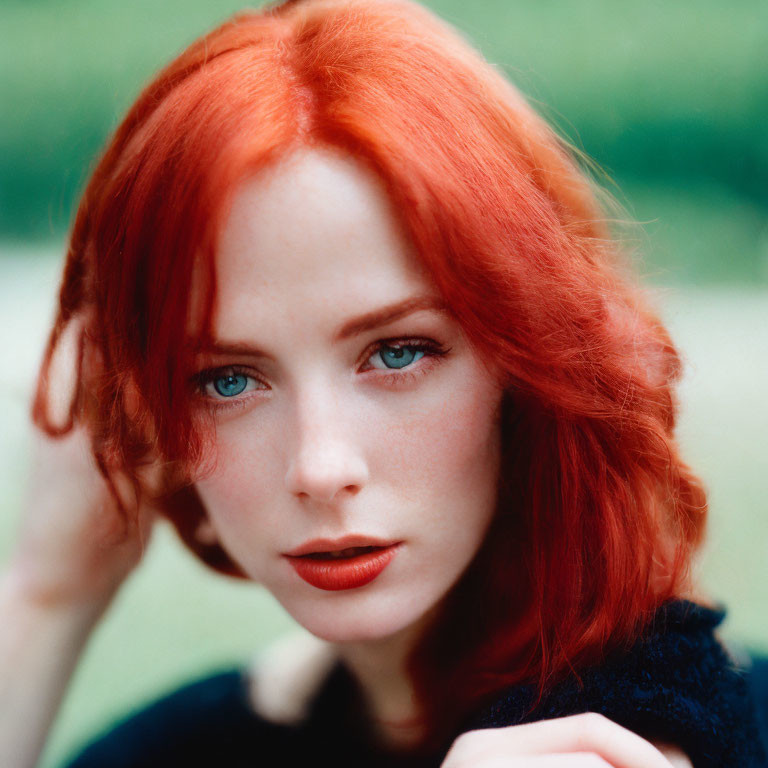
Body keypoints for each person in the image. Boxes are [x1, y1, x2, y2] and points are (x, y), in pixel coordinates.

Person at [1, 0, 765, 766]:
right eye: (228, 380)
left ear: (531, 364)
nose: (321, 468)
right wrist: (49, 591)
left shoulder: (657, 728)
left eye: (398, 353)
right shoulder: (208, 740)